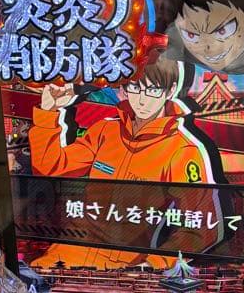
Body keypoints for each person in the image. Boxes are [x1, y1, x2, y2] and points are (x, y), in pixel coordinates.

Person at [28, 59, 223, 270]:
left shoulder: (182, 149)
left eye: (153, 90)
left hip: (123, 267)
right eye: (135, 88)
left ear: (170, 90)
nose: (142, 100)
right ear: (124, 89)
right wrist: (48, 112)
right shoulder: (106, 130)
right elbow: (50, 166)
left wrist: (153, 265)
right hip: (68, 251)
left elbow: (204, 227)